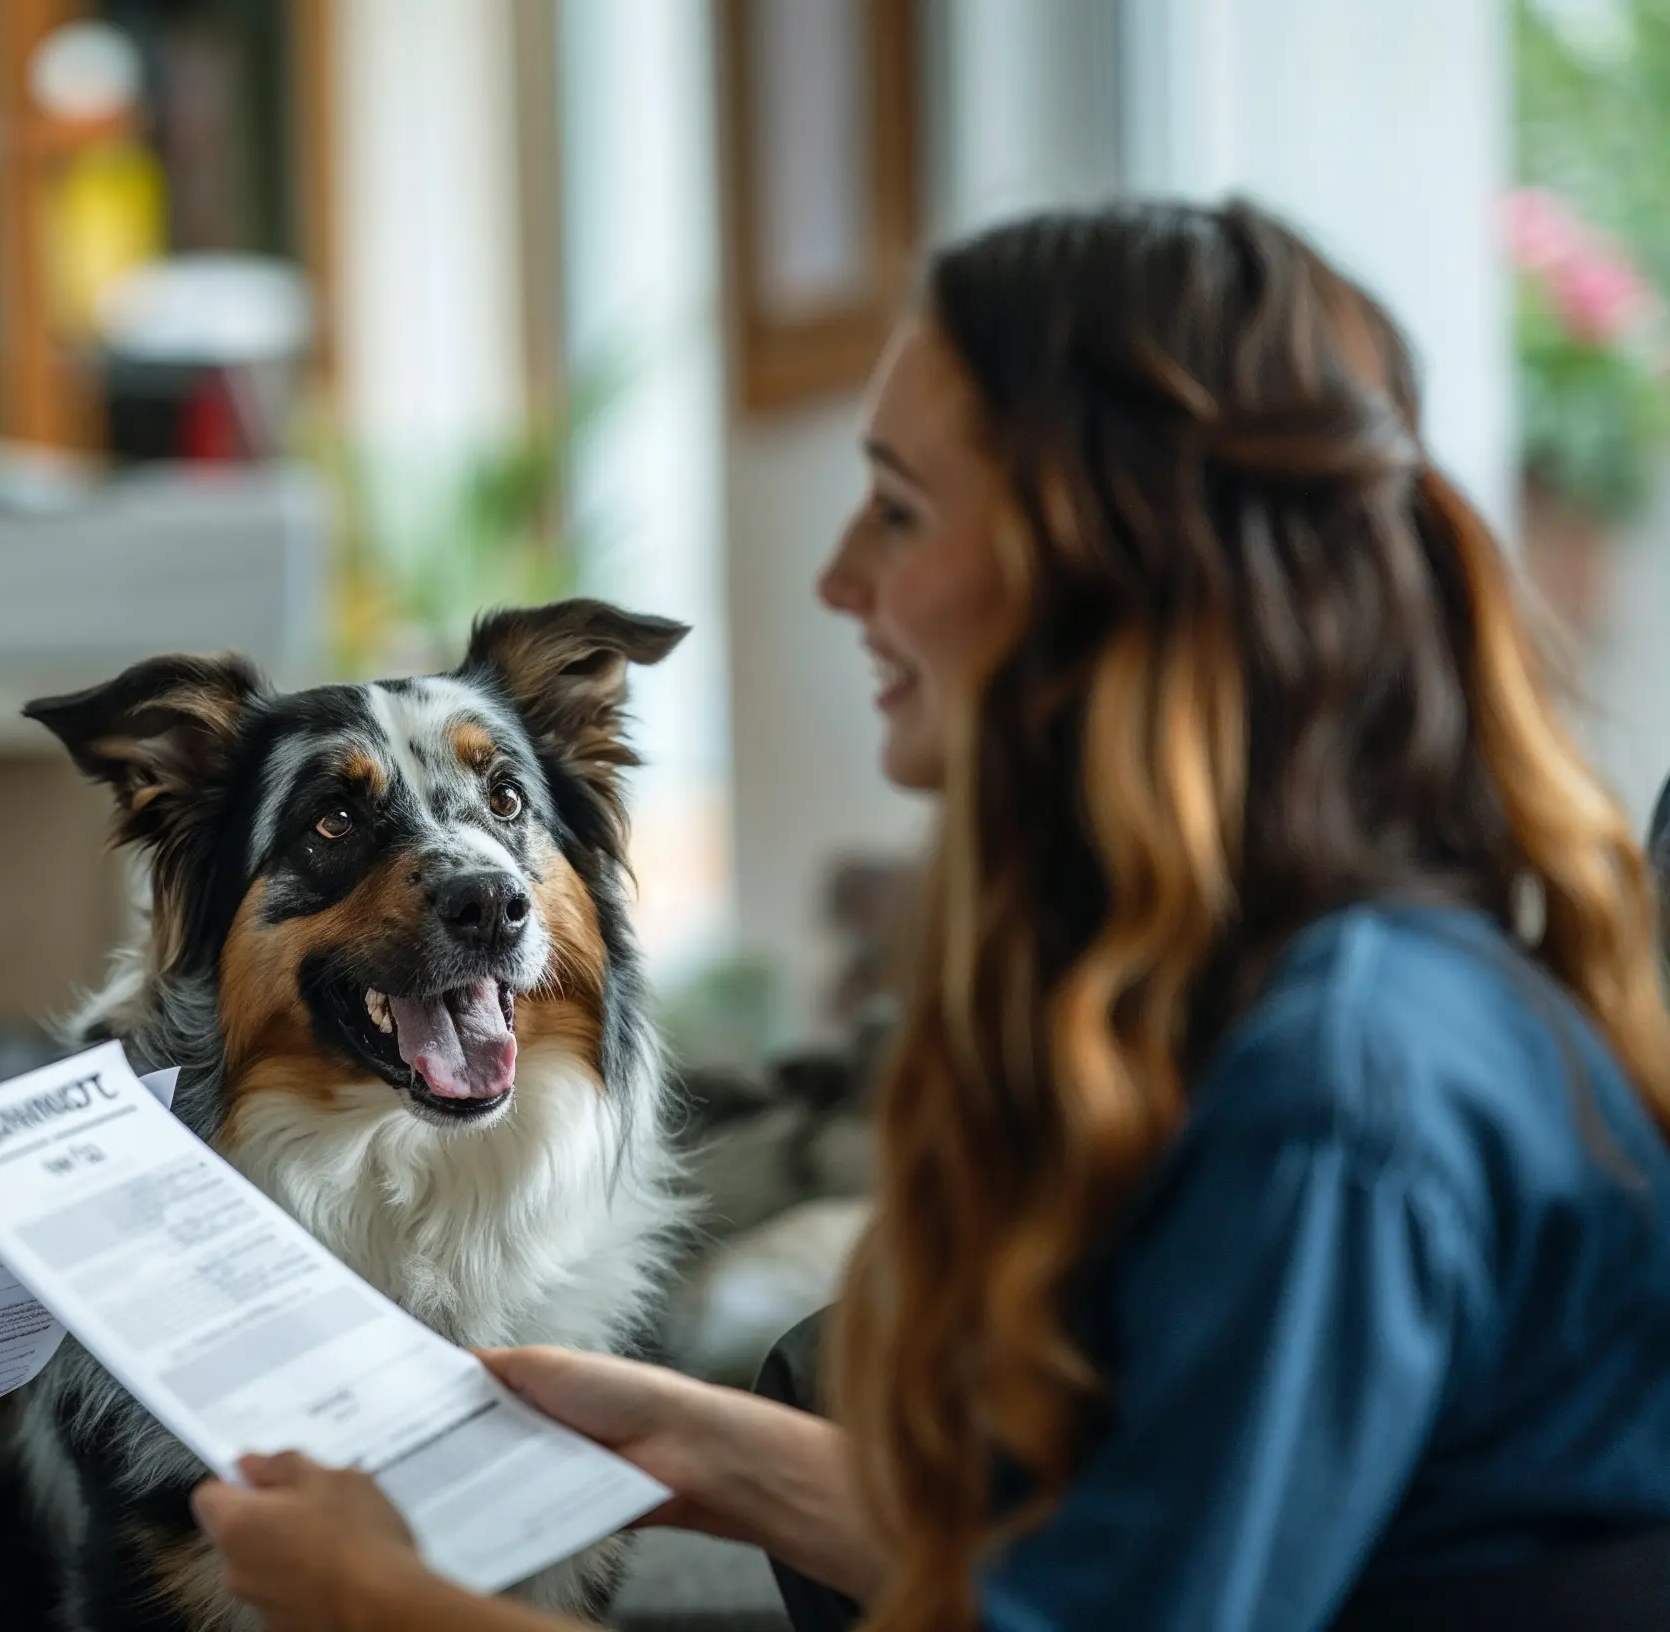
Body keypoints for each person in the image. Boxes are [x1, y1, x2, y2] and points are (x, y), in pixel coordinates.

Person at [187, 199, 1670, 1631]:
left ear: (1108, 566)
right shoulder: (1274, 993)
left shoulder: (1337, 1088)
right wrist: (703, 1449)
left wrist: (379, 1603)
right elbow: (1109, 1571)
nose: (838, 576)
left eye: (898, 508)